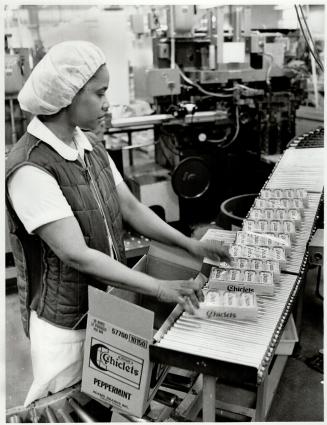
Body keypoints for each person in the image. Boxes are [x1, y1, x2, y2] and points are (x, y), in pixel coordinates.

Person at [5, 40, 231, 406]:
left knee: (106, 405)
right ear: (68, 97)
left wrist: (189, 244)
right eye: (100, 92)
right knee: (67, 409)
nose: (107, 103)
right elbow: (77, 255)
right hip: (67, 326)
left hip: (108, 303)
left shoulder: (87, 145)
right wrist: (159, 288)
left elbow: (129, 206)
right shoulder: (30, 167)